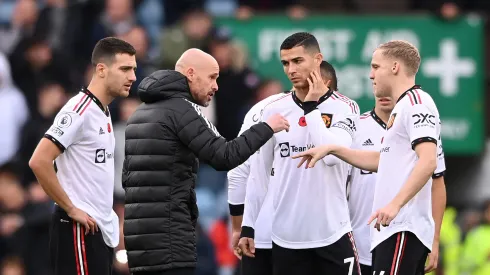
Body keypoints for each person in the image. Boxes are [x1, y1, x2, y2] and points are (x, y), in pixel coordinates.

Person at [122, 48, 289, 275]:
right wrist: (266, 127)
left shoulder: (139, 114)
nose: (216, 86)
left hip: (139, 241)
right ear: (190, 74)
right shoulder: (182, 109)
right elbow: (224, 156)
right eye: (212, 77)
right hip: (170, 239)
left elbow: (127, 178)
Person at [293, 40, 441, 275]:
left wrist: (394, 205)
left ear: (394, 67)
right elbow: (384, 161)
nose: (371, 75)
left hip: (401, 227)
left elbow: (428, 161)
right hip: (387, 231)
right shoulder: (403, 107)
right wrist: (333, 149)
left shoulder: (416, 103)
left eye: (375, 67)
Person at [238, 32, 361, 275]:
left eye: (298, 61)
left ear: (318, 59)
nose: (290, 70)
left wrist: (311, 108)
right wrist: (248, 226)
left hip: (332, 234)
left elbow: (330, 154)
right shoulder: (274, 110)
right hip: (287, 238)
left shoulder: (345, 107)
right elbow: (259, 173)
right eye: (285, 63)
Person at [28, 37, 137, 275]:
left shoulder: (102, 110)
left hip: (97, 231)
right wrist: (71, 208)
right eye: (125, 69)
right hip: (79, 229)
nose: (133, 77)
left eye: (134, 69)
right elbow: (39, 160)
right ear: (101, 69)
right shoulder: (80, 110)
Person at [227, 60, 339, 275]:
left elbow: (239, 172)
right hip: (315, 238)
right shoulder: (342, 110)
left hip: (260, 234)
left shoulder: (262, 108)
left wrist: (238, 226)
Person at [346, 91, 447, 274]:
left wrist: (435, 240)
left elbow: (437, 184)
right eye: (377, 84)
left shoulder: (421, 126)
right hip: (358, 246)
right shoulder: (356, 127)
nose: (383, 93)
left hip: (399, 237)